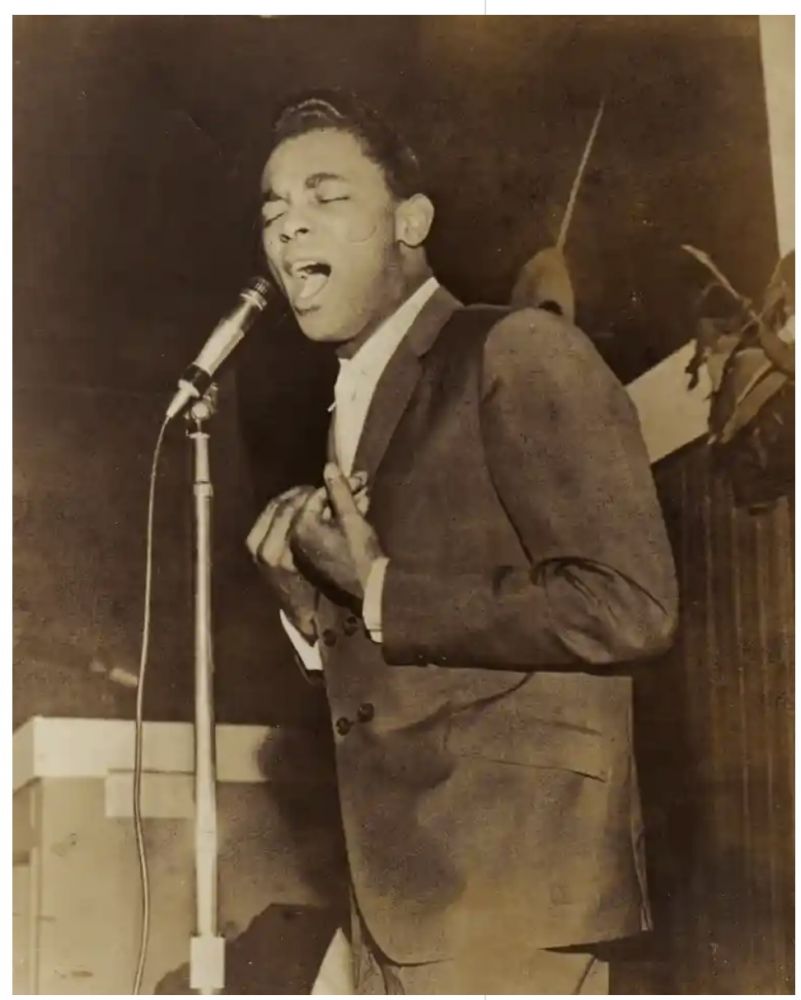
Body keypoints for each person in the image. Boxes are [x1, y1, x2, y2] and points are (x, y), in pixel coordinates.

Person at [245, 90, 678, 994]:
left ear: (411, 222)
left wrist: (376, 588)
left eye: (326, 197)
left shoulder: (516, 349)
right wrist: (310, 611)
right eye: (273, 209)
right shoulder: (353, 400)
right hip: (397, 896)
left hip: (511, 883)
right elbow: (407, 660)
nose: (289, 227)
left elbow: (631, 605)